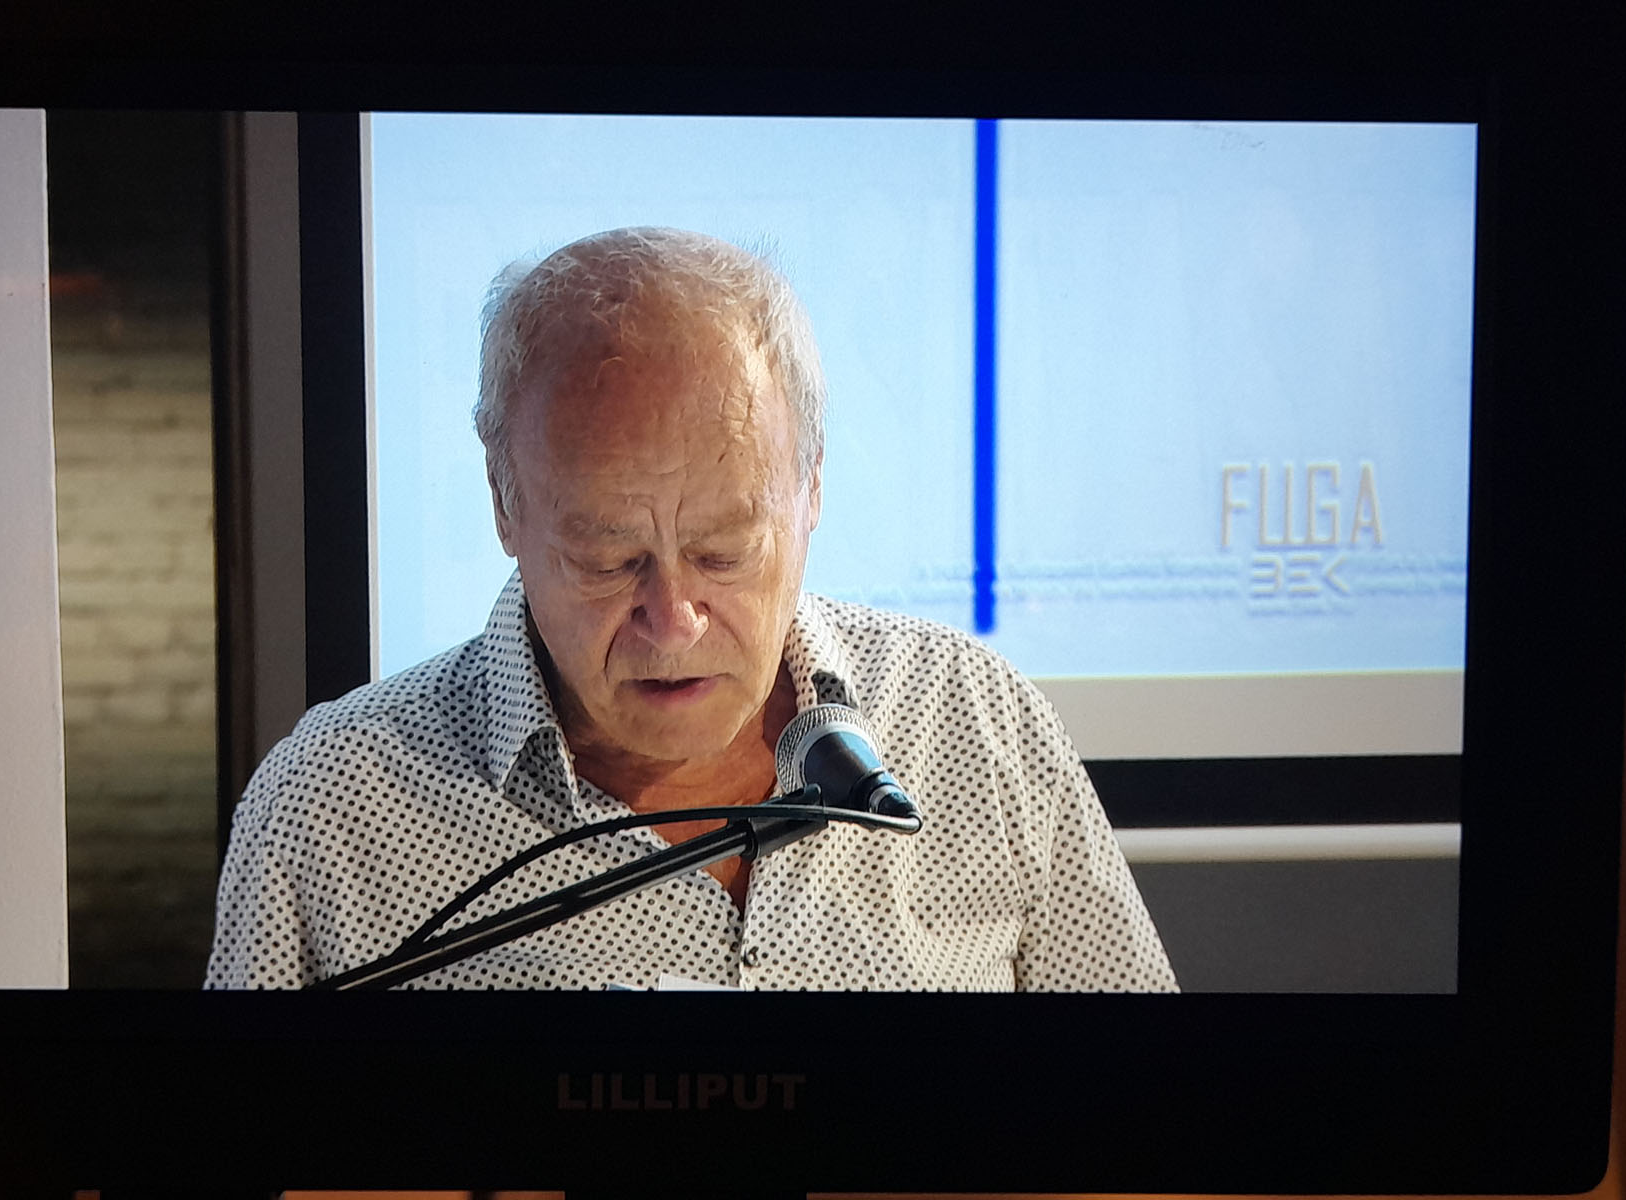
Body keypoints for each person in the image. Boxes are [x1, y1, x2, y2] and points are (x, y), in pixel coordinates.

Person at [206, 227, 1175, 991]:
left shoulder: (974, 718)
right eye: (607, 558)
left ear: (813, 489)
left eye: (723, 553)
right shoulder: (330, 803)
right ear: (504, 502)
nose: (672, 620)